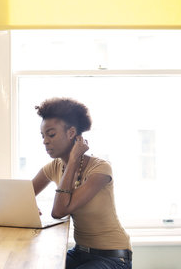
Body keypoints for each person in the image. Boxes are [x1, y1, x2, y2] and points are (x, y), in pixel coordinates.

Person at [32, 97, 132, 269]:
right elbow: (21, 196)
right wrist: (28, 207)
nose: (45, 141)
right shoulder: (53, 167)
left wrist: (72, 161)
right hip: (79, 253)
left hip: (113, 257)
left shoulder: (100, 169)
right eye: (43, 136)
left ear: (71, 133)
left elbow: (59, 211)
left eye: (51, 134)